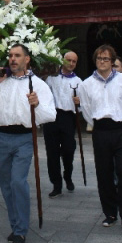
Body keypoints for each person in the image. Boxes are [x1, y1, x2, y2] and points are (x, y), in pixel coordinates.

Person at [0, 44, 56, 243]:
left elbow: (50, 115)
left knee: (17, 182)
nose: (12, 59)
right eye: (10, 55)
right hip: (2, 137)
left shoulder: (37, 84)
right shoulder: (1, 81)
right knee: (5, 185)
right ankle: (15, 225)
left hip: (24, 137)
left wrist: (37, 104)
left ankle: (21, 230)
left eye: (17, 55)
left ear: (27, 59)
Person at [77, 44, 122, 232]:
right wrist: (97, 124)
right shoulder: (86, 84)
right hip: (101, 131)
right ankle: (110, 213)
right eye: (99, 58)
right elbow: (86, 109)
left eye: (106, 59)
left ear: (113, 62)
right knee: (104, 173)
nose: (102, 62)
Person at [43, 51, 82, 197]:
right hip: (52, 117)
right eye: (69, 60)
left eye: (74, 61)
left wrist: (79, 102)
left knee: (68, 150)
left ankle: (68, 174)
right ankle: (56, 184)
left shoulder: (78, 81)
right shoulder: (52, 78)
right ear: (62, 61)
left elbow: (83, 104)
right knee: (52, 152)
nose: (71, 63)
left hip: (68, 117)